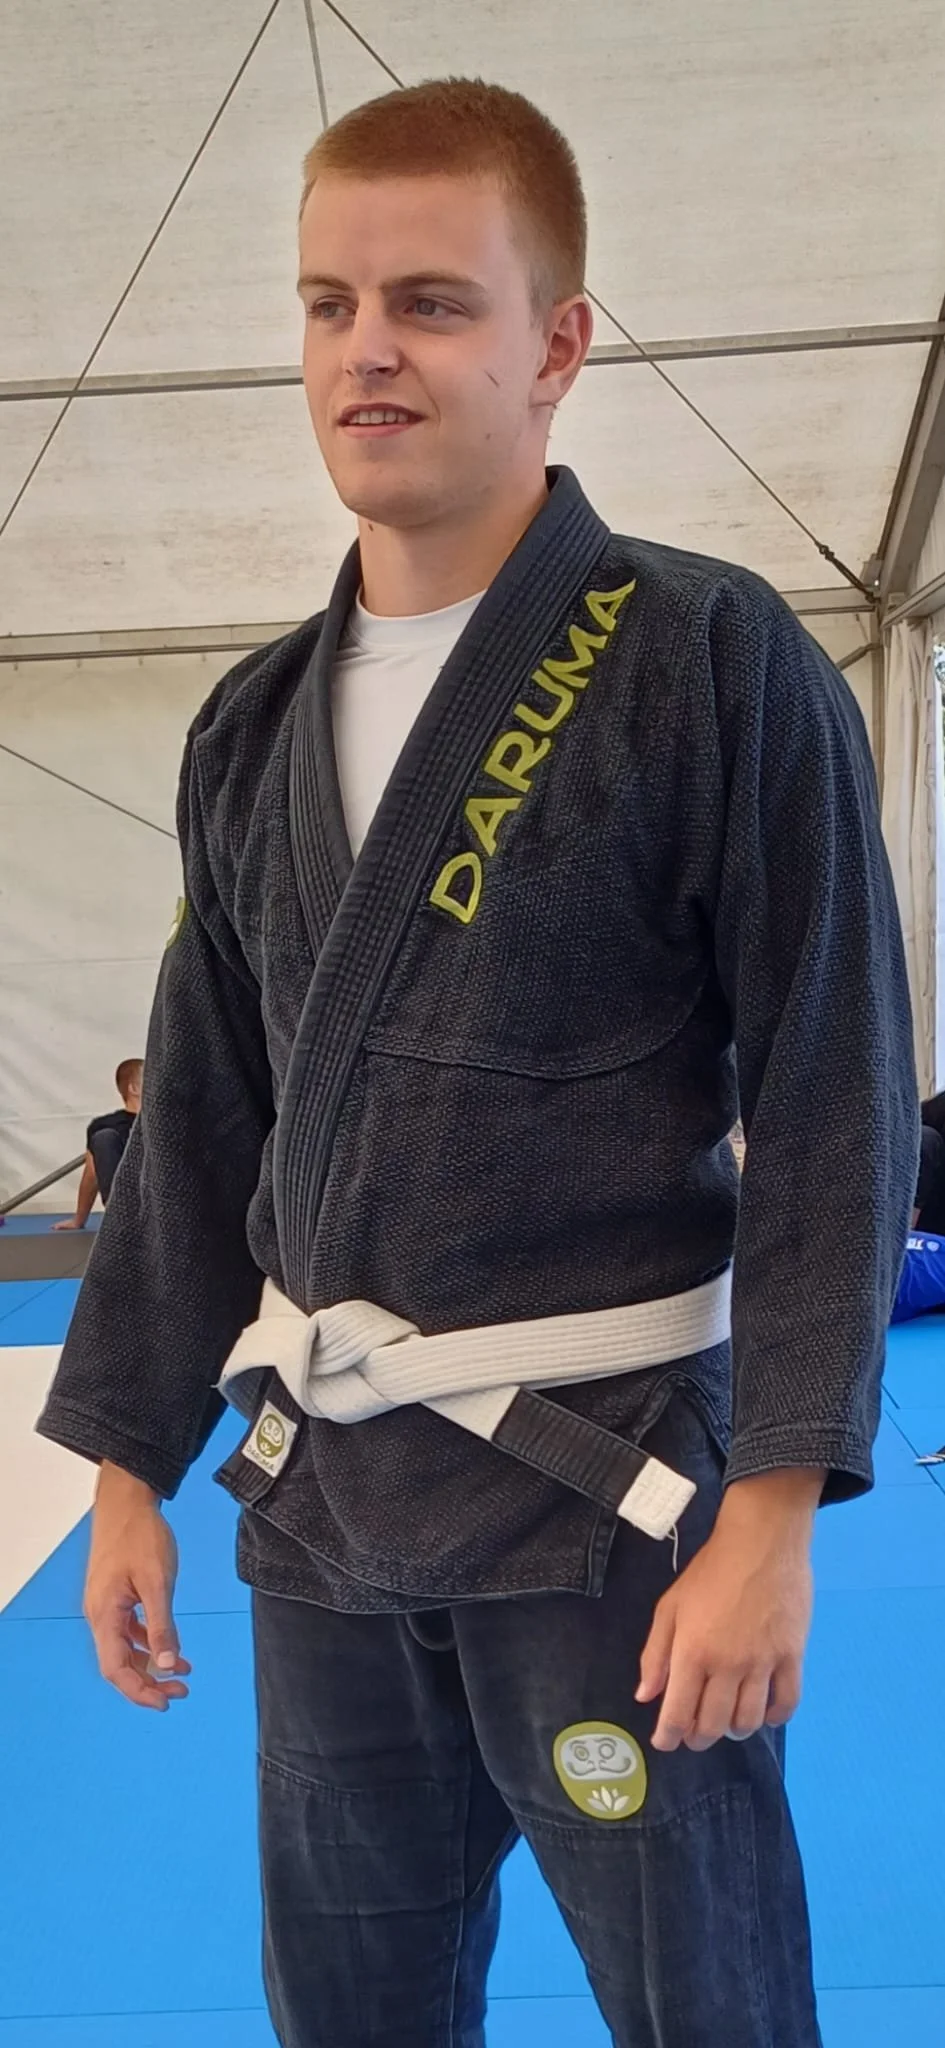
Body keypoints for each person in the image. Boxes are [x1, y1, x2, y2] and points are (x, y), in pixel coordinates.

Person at [37, 79, 918, 2048]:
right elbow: (201, 1127)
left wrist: (772, 1501)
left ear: (555, 342)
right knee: (346, 2005)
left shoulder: (703, 658)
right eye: (330, 302)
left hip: (607, 1507)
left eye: (432, 300)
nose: (369, 348)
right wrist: (122, 1468)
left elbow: (836, 1089)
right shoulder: (248, 731)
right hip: (325, 1510)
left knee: (707, 2001)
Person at [53, 1059, 144, 1231]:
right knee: (104, 1137)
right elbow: (91, 1173)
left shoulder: (165, 1123)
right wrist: (79, 1220)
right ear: (134, 1089)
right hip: (130, 1200)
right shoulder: (105, 1126)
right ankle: (122, 1215)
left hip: (160, 1195)